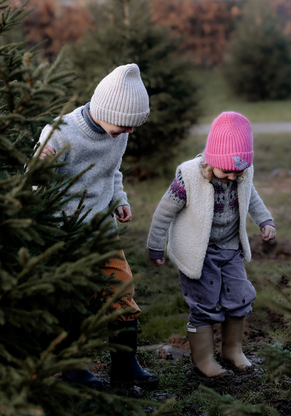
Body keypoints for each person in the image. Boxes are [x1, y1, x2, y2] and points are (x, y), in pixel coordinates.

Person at [37, 63, 158, 389]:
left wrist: (119, 199)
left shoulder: (116, 133)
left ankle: (125, 365)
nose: (129, 133)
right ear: (104, 110)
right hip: (65, 233)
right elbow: (32, 183)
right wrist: (41, 168)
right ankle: (74, 369)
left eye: (134, 127)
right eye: (125, 125)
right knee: (74, 301)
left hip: (101, 231)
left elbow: (111, 172)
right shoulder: (60, 134)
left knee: (121, 289)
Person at [147, 111, 276, 379]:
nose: (233, 177)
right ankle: (204, 360)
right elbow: (164, 212)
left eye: (238, 172)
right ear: (212, 160)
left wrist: (265, 220)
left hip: (230, 249)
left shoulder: (241, 175)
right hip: (199, 253)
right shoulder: (189, 177)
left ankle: (233, 350)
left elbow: (252, 197)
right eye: (227, 171)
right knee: (204, 304)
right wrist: (156, 245)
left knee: (239, 297)